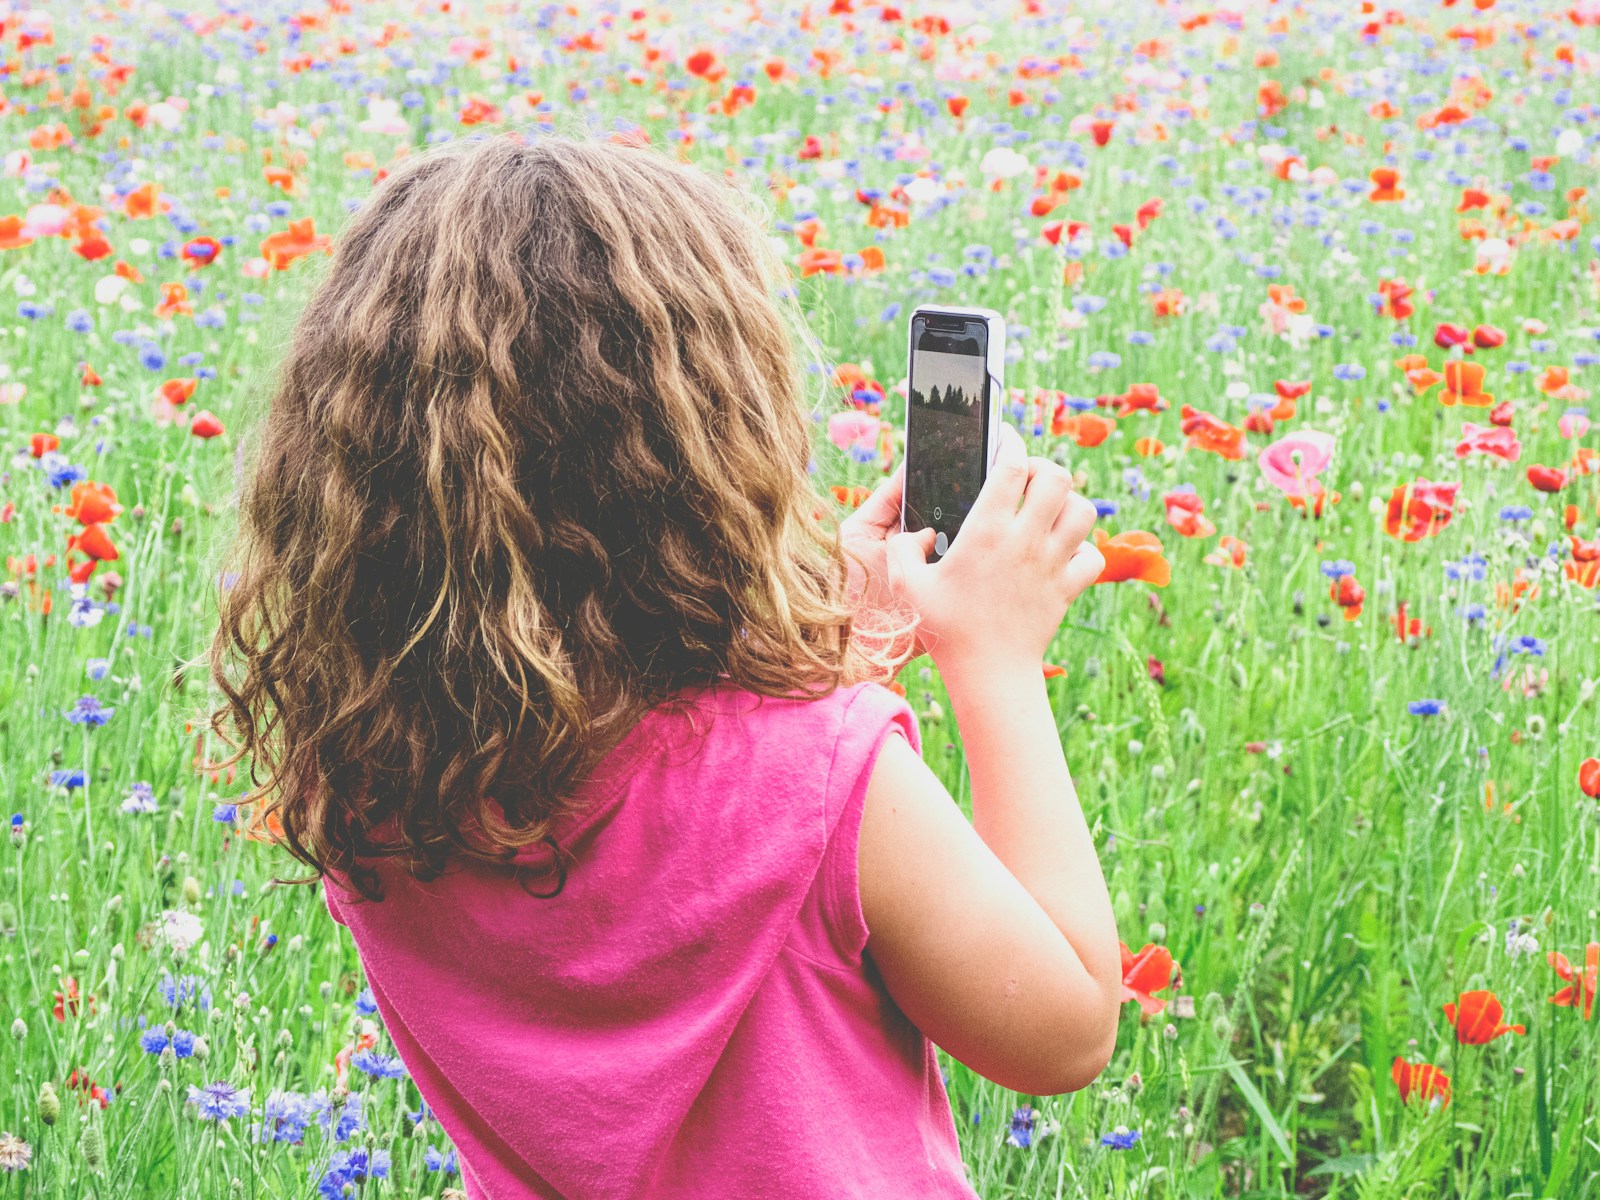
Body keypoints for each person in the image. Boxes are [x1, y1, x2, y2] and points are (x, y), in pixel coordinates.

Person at [207, 132, 1121, 1200]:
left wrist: (835, 651)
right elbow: (1061, 1036)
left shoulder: (368, 776)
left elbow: (645, 801)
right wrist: (992, 661)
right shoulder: (830, 783)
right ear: (712, 446)